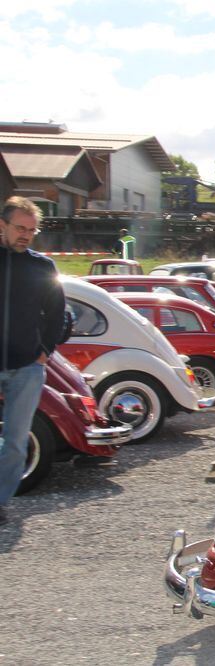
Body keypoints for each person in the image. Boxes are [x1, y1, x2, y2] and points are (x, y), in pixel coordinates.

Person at [0, 197, 66, 525]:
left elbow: (58, 315)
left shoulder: (42, 267)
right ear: (2, 225)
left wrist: (45, 351)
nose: (25, 234)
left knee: (15, 441)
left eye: (31, 229)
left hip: (27, 367)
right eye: (19, 228)